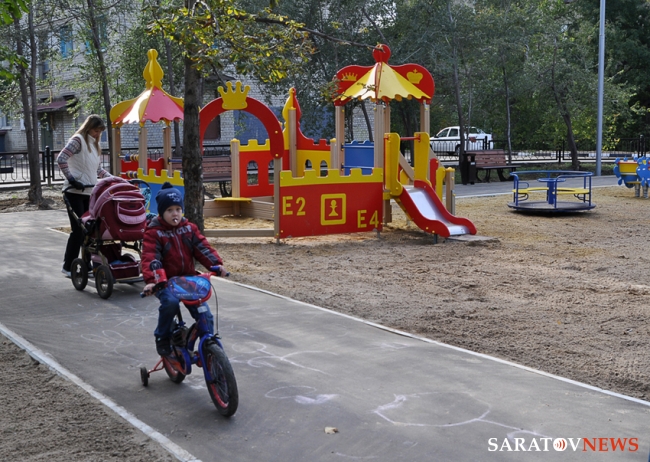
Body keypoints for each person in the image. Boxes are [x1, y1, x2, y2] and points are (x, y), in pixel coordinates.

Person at [141, 182, 228, 356]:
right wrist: (153, 281)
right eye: (169, 210)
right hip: (164, 282)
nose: (175, 214)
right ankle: (162, 336)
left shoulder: (189, 228)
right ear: (161, 212)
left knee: (205, 313)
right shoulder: (154, 232)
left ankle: (209, 345)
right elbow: (151, 258)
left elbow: (202, 247)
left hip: (188, 279)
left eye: (178, 209)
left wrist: (216, 265)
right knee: (171, 303)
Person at [56, 114, 112, 278]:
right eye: (95, 130)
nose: (97, 134)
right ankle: (68, 266)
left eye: (99, 132)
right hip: (73, 192)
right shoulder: (78, 140)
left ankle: (86, 265)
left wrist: (114, 179)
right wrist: (72, 180)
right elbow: (61, 158)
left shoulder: (94, 145)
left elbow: (98, 170)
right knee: (78, 230)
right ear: (88, 128)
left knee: (89, 232)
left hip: (89, 192)